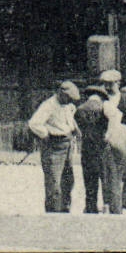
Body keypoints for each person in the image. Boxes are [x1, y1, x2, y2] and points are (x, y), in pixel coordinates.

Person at [28, 81, 80, 213]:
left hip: (67, 143)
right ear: (61, 93)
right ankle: (53, 212)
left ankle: (65, 208)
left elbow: (69, 119)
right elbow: (34, 123)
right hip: (54, 145)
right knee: (54, 181)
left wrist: (74, 129)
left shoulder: (68, 106)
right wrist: (45, 134)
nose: (69, 101)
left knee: (68, 180)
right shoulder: (48, 105)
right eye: (68, 98)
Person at [76, 83, 110, 213]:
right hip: (102, 147)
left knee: (89, 178)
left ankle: (90, 206)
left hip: (86, 147)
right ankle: (107, 205)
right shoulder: (103, 109)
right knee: (105, 176)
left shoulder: (80, 109)